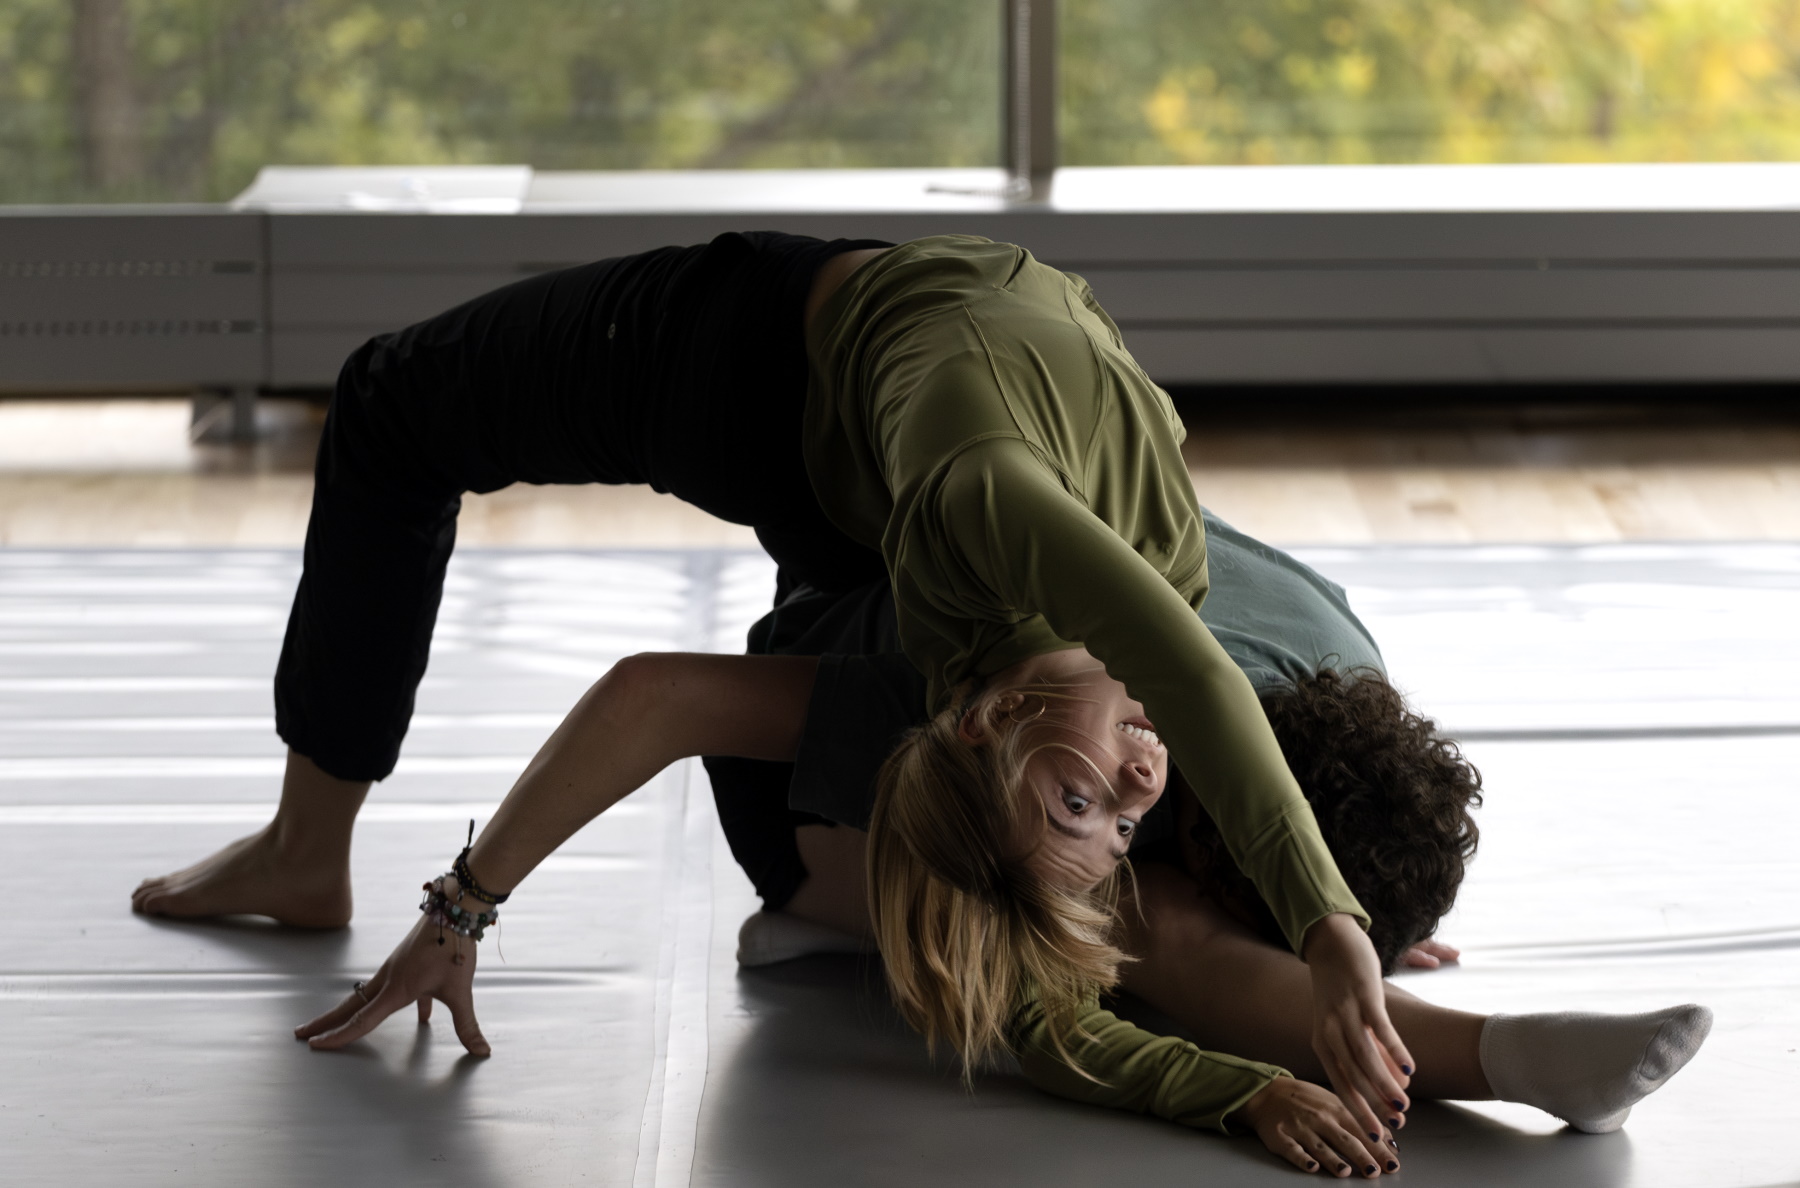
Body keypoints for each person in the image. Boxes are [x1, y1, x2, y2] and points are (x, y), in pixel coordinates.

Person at [132, 232, 1706, 1174]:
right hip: (772, 371)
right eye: (1119, 799)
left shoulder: (997, 675)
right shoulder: (1009, 515)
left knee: (392, 397)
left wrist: (1245, 1075)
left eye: (1099, 801)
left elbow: (1057, 1013)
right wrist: (1333, 923)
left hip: (862, 463)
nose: (1143, 778)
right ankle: (1459, 1042)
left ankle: (298, 843)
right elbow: (1204, 695)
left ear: (973, 733)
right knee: (402, 400)